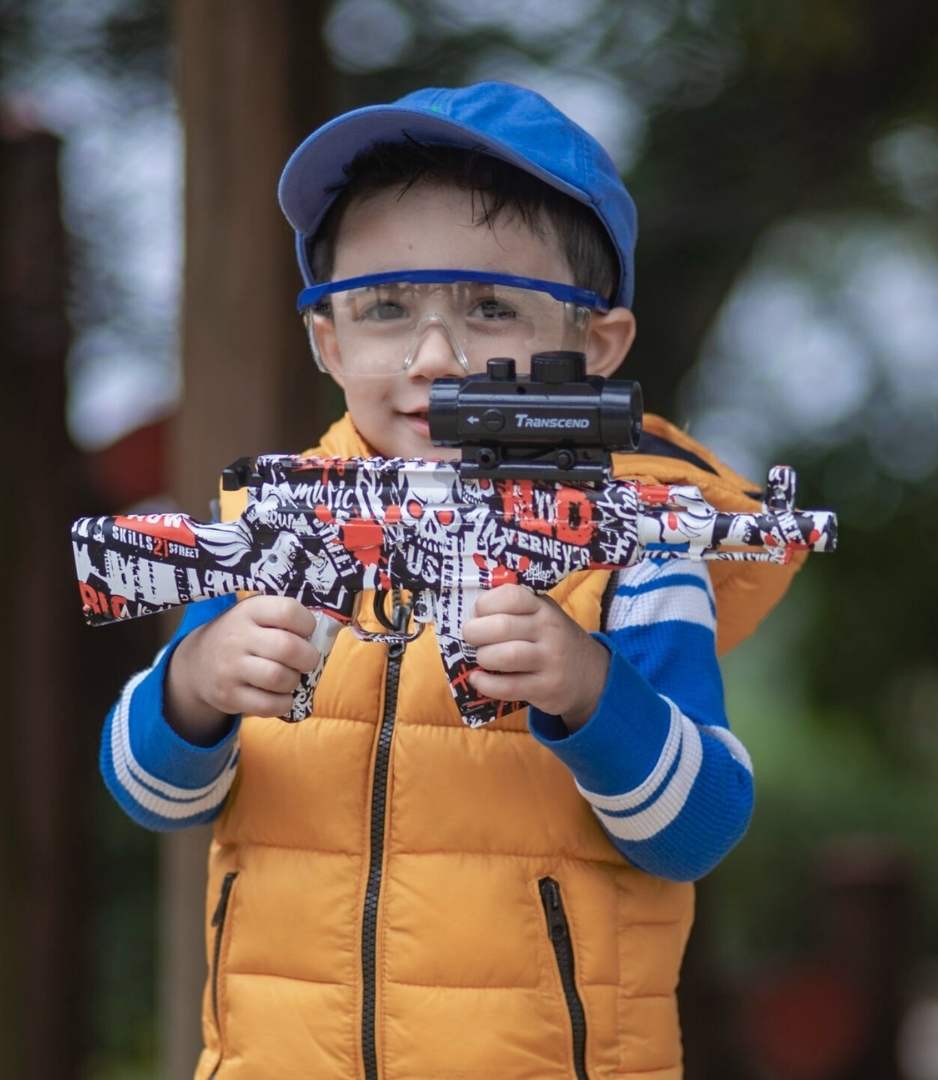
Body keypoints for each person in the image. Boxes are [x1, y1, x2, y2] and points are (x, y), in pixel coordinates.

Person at [101, 82, 803, 1079]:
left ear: (594, 349)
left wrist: (587, 689)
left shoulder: (634, 552)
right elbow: (153, 800)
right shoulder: (280, 521)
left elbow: (698, 829)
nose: (434, 357)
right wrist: (195, 687)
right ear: (328, 339)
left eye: (490, 307)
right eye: (387, 308)